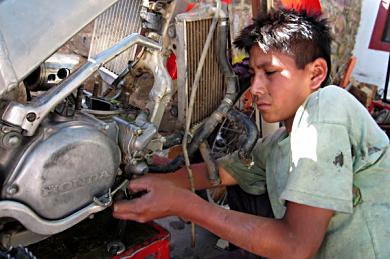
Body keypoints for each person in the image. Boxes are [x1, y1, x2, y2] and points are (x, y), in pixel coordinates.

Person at [113, 8, 390, 258]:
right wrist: (140, 181)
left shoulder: (329, 104)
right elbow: (217, 173)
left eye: (269, 72)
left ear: (316, 74)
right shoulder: (278, 145)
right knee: (244, 188)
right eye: (254, 73)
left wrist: (182, 204)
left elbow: (296, 246)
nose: (255, 88)